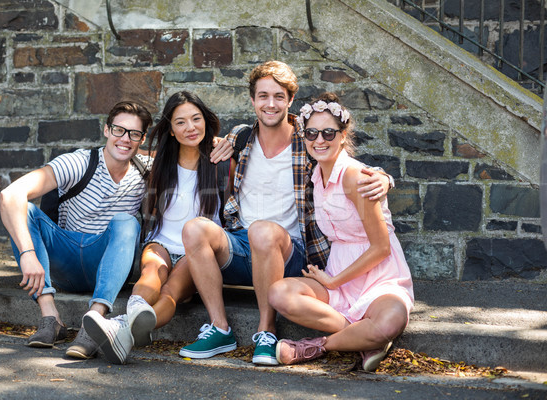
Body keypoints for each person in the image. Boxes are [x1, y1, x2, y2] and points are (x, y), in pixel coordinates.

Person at [179, 61, 393, 366]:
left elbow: (348, 163)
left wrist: (384, 178)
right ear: (252, 100)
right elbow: (183, 146)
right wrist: (223, 142)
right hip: (242, 246)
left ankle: (266, 331)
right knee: (194, 229)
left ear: (290, 100)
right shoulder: (241, 139)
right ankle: (220, 329)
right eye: (263, 96)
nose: (270, 104)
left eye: (279, 96)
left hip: (290, 250)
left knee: (263, 231)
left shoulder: (307, 140)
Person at [0, 100, 233, 360]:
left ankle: (96, 321)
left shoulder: (145, 168)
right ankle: (50, 319)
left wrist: (226, 141)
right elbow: (10, 195)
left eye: (134, 134)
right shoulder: (78, 162)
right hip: (64, 259)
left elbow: (185, 149)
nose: (125, 139)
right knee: (24, 210)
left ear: (142, 139)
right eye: (119, 130)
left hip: (106, 263)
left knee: (127, 222)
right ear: (107, 130)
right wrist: (28, 253)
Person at [81, 91, 235, 364]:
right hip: (160, 242)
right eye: (180, 122)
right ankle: (129, 324)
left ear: (206, 120)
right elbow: (120, 156)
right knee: (151, 273)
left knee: (171, 291)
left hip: (197, 251)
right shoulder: (157, 164)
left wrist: (237, 136)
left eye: (196, 119)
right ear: (171, 131)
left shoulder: (222, 161)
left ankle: (120, 328)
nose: (190, 128)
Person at [268, 93, 414, 372]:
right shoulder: (316, 175)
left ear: (343, 135)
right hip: (339, 272)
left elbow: (381, 248)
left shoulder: (354, 176)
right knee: (279, 293)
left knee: (390, 321)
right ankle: (363, 337)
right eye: (311, 132)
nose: (319, 140)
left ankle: (316, 346)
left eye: (328, 132)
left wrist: (334, 282)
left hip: (379, 276)